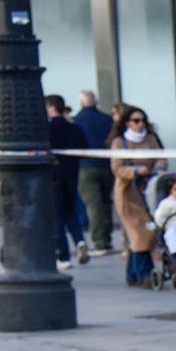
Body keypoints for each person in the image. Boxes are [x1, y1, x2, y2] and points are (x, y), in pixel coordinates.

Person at [109, 105, 167, 287]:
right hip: (128, 192)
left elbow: (160, 157)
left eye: (143, 120)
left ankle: (133, 275)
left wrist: (158, 168)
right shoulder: (119, 142)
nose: (140, 124)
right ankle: (144, 274)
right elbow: (117, 168)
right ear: (127, 123)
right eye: (136, 121)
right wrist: (134, 170)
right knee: (139, 232)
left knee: (145, 232)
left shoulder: (150, 139)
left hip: (148, 190)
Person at [46, 95, 90, 269]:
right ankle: (79, 240)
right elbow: (85, 148)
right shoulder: (75, 128)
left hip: (53, 176)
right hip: (72, 174)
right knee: (70, 211)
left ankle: (63, 256)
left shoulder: (46, 129)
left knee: (56, 216)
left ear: (51, 107)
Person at [74, 90, 115, 254]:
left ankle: (99, 241)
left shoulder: (77, 121)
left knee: (93, 205)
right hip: (106, 164)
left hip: (85, 166)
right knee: (106, 202)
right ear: (96, 101)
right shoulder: (107, 119)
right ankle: (107, 239)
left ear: (81, 103)